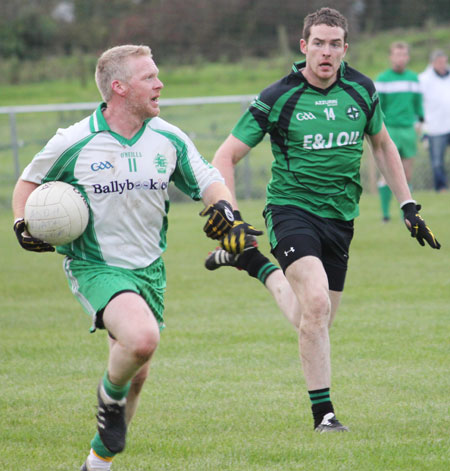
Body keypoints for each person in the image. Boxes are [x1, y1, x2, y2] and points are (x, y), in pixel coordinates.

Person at [204, 7, 440, 434]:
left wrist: (408, 205)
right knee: (315, 304)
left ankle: (253, 264)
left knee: (314, 318)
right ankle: (324, 416)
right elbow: (226, 155)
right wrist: (231, 214)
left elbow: (383, 145)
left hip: (341, 218)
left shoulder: (362, 91)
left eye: (335, 44)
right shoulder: (279, 97)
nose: (326, 52)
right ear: (304, 46)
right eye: (318, 43)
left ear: (345, 49)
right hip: (291, 210)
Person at [12, 45, 245, 471]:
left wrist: (227, 214)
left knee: (137, 373)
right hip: (95, 266)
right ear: (119, 88)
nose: (160, 84)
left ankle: (96, 465)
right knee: (141, 340)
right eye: (149, 77)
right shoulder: (75, 140)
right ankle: (107, 396)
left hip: (150, 271)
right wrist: (21, 223)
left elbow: (208, 179)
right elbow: (27, 183)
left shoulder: (168, 138)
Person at [375, 41, 424, 222]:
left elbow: (418, 104)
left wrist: (420, 121)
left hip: (408, 130)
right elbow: (378, 108)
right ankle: (385, 215)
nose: (400, 58)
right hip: (390, 130)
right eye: (397, 54)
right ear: (391, 57)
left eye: (403, 55)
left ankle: (407, 214)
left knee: (407, 173)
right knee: (387, 173)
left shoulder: (413, 79)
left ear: (408, 57)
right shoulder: (382, 79)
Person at [419, 50, 450, 192]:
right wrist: (422, 127)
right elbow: (419, 104)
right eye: (438, 62)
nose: (441, 64)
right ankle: (441, 187)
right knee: (437, 162)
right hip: (435, 127)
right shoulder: (424, 79)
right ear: (432, 63)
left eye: (443, 61)